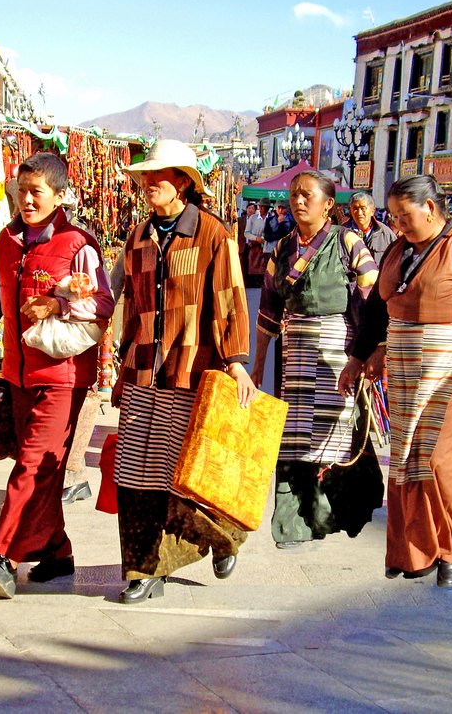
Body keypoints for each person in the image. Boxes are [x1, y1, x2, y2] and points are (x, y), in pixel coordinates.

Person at [338, 174, 452, 588]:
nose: (396, 224)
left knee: (440, 463)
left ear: (430, 209)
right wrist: (360, 358)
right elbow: (378, 310)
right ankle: (413, 552)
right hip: (402, 370)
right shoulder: (398, 249)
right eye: (393, 216)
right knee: (407, 460)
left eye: (404, 215)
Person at [113, 139, 256, 604]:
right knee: (135, 474)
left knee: (187, 473)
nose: (149, 183)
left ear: (184, 183)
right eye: (145, 176)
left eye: (160, 175)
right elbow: (131, 306)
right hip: (142, 371)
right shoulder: (137, 236)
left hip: (189, 369)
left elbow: (231, 299)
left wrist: (235, 363)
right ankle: (141, 568)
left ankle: (223, 536)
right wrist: (121, 366)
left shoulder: (213, 234)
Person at [0, 152, 114, 599]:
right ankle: (56, 551)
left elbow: (104, 304)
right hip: (17, 370)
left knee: (32, 464)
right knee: (42, 468)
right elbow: (0, 286)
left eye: (37, 192)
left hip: (62, 374)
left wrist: (58, 304)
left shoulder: (78, 245)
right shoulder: (7, 239)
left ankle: (4, 557)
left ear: (59, 195)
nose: (27, 200)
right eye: (22, 191)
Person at [251, 171, 379, 548]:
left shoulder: (348, 241)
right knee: (292, 439)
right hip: (295, 354)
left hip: (339, 351)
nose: (298, 201)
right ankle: (293, 524)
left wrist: (368, 355)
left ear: (328, 205)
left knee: (336, 435)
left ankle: (332, 514)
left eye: (307, 195)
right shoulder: (283, 248)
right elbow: (269, 310)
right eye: (294, 195)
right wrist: (258, 364)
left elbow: (371, 300)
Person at [345, 191, 396, 264]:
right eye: (355, 208)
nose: (359, 213)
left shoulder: (386, 234)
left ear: (372, 211)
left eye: (363, 208)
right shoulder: (342, 233)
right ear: (350, 211)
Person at [244, 200, 267, 285]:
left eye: (252, 208)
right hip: (245, 245)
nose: (250, 210)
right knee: (247, 265)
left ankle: (256, 281)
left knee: (257, 265)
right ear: (246, 209)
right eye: (249, 208)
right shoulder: (241, 219)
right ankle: (248, 281)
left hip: (257, 246)